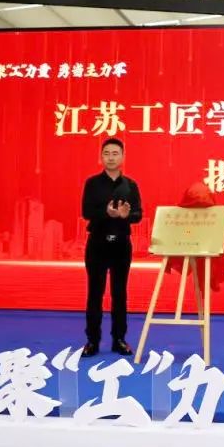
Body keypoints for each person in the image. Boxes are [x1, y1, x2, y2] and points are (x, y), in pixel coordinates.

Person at [81, 138, 142, 357]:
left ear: (123, 157)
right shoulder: (92, 183)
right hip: (97, 243)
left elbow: (138, 214)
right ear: (101, 157)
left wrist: (127, 215)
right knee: (95, 293)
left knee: (119, 293)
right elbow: (86, 212)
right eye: (106, 153)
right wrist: (105, 213)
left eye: (115, 153)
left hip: (121, 245)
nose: (111, 157)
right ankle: (92, 341)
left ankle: (119, 339)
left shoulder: (131, 185)